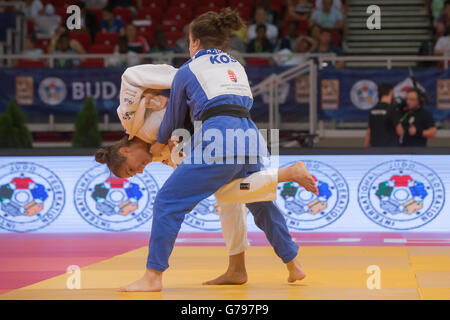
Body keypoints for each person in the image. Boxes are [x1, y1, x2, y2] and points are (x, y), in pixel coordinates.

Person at [117, 8, 317, 292]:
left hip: (220, 137)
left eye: (189, 42)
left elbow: (173, 119)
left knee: (167, 202)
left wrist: (157, 147)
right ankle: (292, 263)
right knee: (258, 199)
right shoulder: (236, 65)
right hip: (250, 134)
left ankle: (152, 276)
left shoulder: (188, 70)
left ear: (195, 42)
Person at [364, 83, 403, 148]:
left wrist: (365, 149)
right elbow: (400, 131)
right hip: (390, 149)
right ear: (391, 92)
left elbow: (369, 132)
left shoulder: (373, 110)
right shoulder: (392, 109)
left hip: (375, 149)